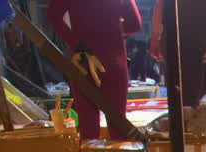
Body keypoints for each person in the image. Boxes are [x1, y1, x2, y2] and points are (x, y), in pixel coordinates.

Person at [47, 0, 142, 140]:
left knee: (88, 130)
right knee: (119, 128)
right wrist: (112, 25)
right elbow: (134, 24)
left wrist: (76, 43)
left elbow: (52, 16)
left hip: (84, 61)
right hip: (114, 61)